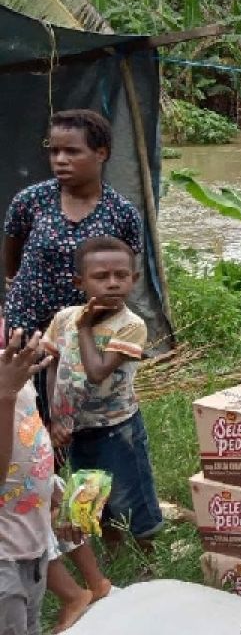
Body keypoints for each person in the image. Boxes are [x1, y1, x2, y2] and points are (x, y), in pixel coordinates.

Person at [2, 109, 139, 630]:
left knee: (82, 432)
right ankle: (50, 520)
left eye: (72, 151)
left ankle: (95, 522)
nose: (60, 160)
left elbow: (125, 273)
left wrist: (92, 327)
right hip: (28, 340)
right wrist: (17, 296)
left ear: (101, 153)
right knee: (28, 437)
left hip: (85, 348)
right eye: (53, 150)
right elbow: (11, 253)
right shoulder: (30, 201)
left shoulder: (120, 211)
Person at [45, 237, 162, 556]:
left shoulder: (131, 326)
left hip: (117, 429)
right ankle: (112, 552)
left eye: (121, 276)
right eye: (101, 277)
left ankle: (146, 555)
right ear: (79, 282)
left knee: (130, 493)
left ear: (134, 279)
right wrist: (58, 417)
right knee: (88, 493)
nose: (112, 283)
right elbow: (54, 364)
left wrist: (85, 329)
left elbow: (97, 372)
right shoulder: (64, 317)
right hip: (77, 428)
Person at [0, 329, 54, 635]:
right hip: (3, 560)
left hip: (31, 543)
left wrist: (52, 490)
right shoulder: (8, 382)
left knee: (29, 624)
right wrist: (4, 394)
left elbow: (29, 437)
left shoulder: (12, 369)